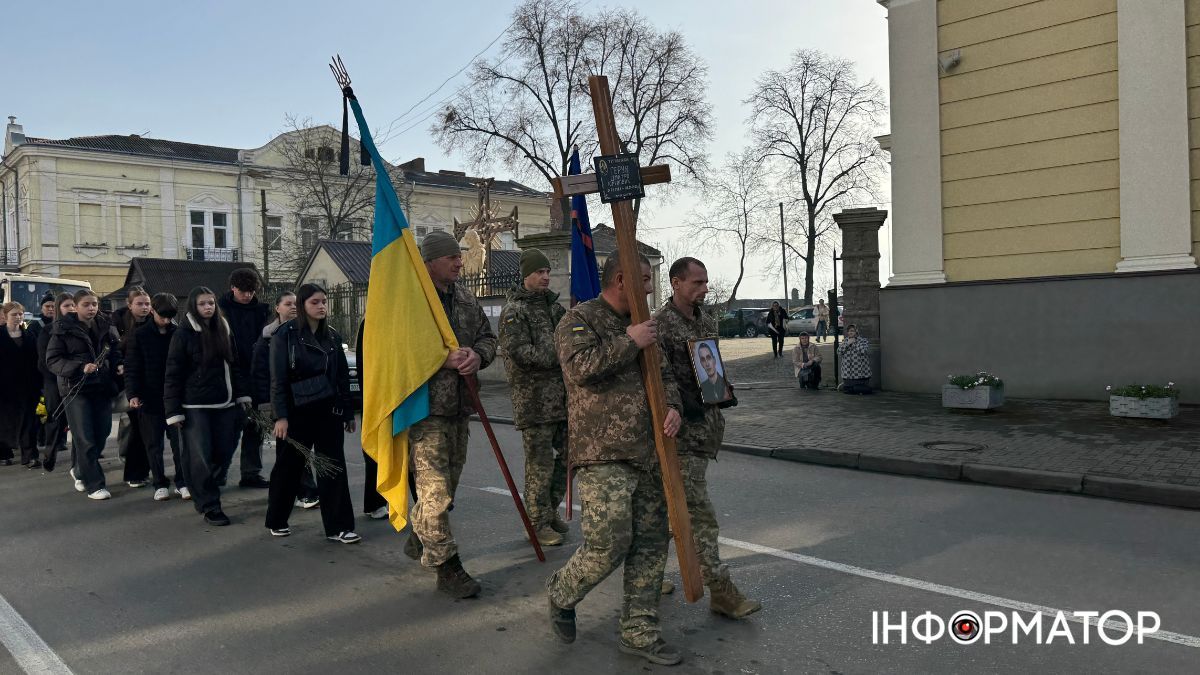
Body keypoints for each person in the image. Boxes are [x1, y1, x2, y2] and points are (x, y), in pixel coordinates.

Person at [547, 253, 686, 666]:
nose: (649, 287)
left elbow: (668, 376)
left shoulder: (648, 324)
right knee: (609, 542)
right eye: (644, 279)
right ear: (621, 279)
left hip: (649, 449)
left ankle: (639, 631)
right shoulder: (579, 319)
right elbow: (580, 368)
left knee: (650, 541)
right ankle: (562, 592)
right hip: (603, 451)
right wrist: (631, 340)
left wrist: (674, 406)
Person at [655, 257, 762, 620]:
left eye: (705, 282)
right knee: (700, 515)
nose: (703, 289)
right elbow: (660, 382)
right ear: (675, 283)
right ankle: (721, 590)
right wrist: (683, 405)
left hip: (706, 429)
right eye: (696, 283)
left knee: (670, 512)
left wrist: (720, 390)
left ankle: (646, 574)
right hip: (681, 433)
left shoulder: (704, 319)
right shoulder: (661, 326)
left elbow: (708, 368)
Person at [407, 230, 496, 598]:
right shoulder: (413, 301)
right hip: (425, 410)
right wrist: (441, 359)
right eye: (451, 258)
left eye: (459, 256)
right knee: (436, 491)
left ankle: (421, 534)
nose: (460, 262)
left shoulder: (464, 296)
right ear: (429, 262)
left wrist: (478, 356)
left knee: (449, 487)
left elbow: (487, 338)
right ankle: (447, 567)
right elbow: (399, 352)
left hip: (460, 407)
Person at [265, 284, 360, 543]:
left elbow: (340, 376)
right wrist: (280, 416)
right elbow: (278, 379)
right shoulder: (285, 335)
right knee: (289, 468)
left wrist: (348, 413)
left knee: (332, 468)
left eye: (324, 302)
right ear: (302, 306)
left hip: (328, 410)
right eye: (315, 302)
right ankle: (277, 519)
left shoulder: (331, 335)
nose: (321, 307)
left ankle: (339, 527)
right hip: (297, 412)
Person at [498, 248, 569, 547]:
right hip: (534, 401)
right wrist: (561, 356)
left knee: (570, 458)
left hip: (562, 400)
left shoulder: (554, 308)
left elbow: (571, 337)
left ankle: (548, 509)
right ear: (526, 274)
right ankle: (537, 523)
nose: (545, 277)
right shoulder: (514, 311)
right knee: (539, 464)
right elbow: (520, 353)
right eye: (540, 272)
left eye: (548, 272)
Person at [165, 286, 253, 526]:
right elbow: (173, 374)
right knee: (200, 457)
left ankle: (204, 486)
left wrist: (242, 395)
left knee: (223, 452)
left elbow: (235, 364)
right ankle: (209, 505)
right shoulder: (183, 335)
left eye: (211, 303)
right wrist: (173, 411)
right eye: (203, 303)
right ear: (194, 306)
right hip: (194, 407)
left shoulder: (224, 328)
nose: (208, 307)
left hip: (225, 403)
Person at [45, 289, 122, 499]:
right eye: (86, 304)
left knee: (102, 433)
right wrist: (79, 367)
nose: (92, 308)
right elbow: (52, 360)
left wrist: (118, 365)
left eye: (94, 304)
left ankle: (80, 470)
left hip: (102, 387)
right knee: (84, 438)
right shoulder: (62, 329)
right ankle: (94, 485)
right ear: (76, 306)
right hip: (75, 389)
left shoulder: (106, 325)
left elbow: (115, 350)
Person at [253, 291, 320, 510]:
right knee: (291, 450)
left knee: (292, 451)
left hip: (305, 402)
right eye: (287, 304)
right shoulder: (267, 339)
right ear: (277, 308)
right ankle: (303, 492)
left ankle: (289, 492)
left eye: (295, 304)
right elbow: (262, 375)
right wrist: (268, 407)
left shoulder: (308, 333)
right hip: (279, 403)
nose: (293, 307)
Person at [125, 293, 189, 501]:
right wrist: (132, 393)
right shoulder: (140, 334)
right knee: (153, 444)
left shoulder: (178, 332)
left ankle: (182, 481)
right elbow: (132, 365)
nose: (166, 320)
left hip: (174, 397)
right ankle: (159, 483)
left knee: (179, 444)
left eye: (170, 316)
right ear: (153, 311)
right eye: (163, 316)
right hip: (149, 396)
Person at [217, 268, 271, 489]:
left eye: (251, 291)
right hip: (229, 374)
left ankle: (250, 473)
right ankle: (218, 472)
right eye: (243, 291)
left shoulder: (262, 311)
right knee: (229, 430)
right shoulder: (221, 310)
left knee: (255, 428)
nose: (248, 295)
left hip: (256, 374)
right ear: (233, 288)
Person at [114, 287, 153, 488]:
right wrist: (119, 364)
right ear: (129, 305)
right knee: (135, 426)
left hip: (150, 381)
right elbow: (111, 349)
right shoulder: (118, 323)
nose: (145, 307)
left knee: (142, 428)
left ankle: (140, 468)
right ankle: (134, 471)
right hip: (127, 381)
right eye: (140, 304)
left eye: (147, 303)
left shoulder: (155, 322)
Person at [353, 318, 388, 520]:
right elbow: (364, 363)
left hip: (397, 394)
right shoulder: (372, 321)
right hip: (376, 396)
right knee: (375, 451)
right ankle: (374, 503)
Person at [0, 302, 43, 468]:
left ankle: (30, 455)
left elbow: (36, 360)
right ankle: (3, 452)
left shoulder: (30, 335)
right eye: (14, 314)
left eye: (20, 314)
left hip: (27, 386)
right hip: (4, 387)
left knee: (29, 421)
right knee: (5, 421)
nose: (18, 317)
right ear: (5, 316)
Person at [36, 293, 73, 471]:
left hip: (76, 380)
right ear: (59, 308)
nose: (71, 309)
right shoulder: (47, 330)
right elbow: (44, 361)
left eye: (73, 305)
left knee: (76, 419)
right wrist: (61, 374)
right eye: (67, 306)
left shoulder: (83, 328)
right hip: (54, 380)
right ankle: (50, 453)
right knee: (55, 418)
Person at [838, 324, 872, 395]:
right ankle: (855, 390)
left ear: (856, 332)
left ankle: (859, 390)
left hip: (860, 373)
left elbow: (863, 351)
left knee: (856, 388)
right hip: (848, 373)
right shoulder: (845, 341)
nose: (850, 333)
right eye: (849, 331)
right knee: (847, 390)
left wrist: (854, 343)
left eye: (852, 331)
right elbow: (839, 351)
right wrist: (847, 344)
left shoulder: (863, 341)